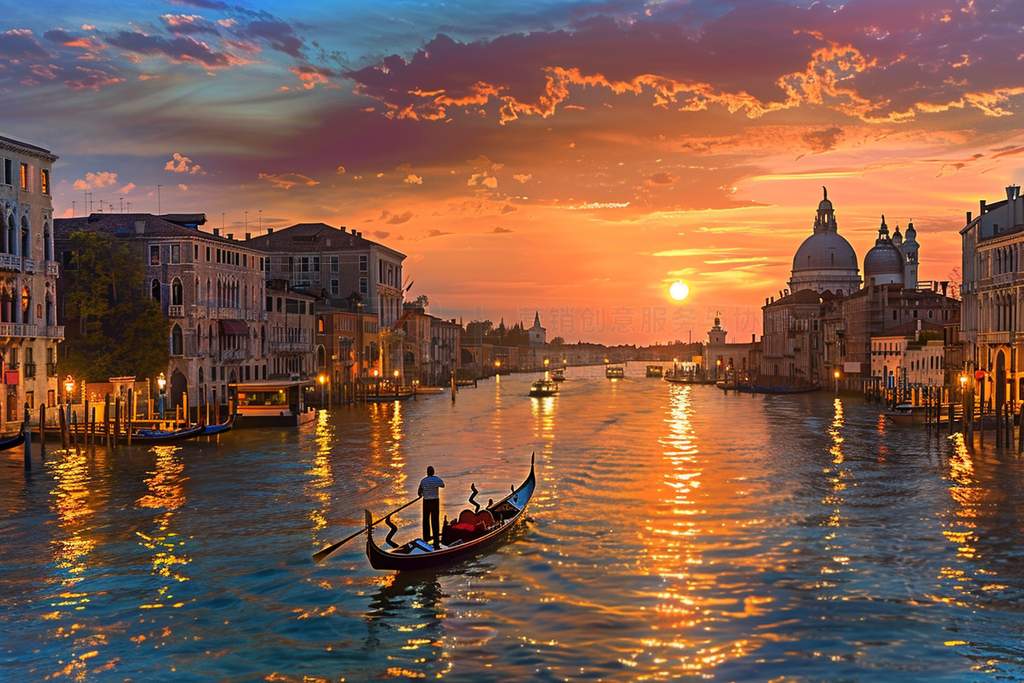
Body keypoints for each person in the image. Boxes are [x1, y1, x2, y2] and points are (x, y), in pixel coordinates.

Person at [418, 465, 445, 549]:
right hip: (435, 501)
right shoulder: (437, 479)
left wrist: (423, 493)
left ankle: (426, 538)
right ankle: (436, 538)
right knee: (435, 520)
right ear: (433, 472)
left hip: (426, 501)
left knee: (426, 520)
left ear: (427, 472)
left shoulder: (423, 481)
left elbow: (419, 492)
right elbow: (442, 485)